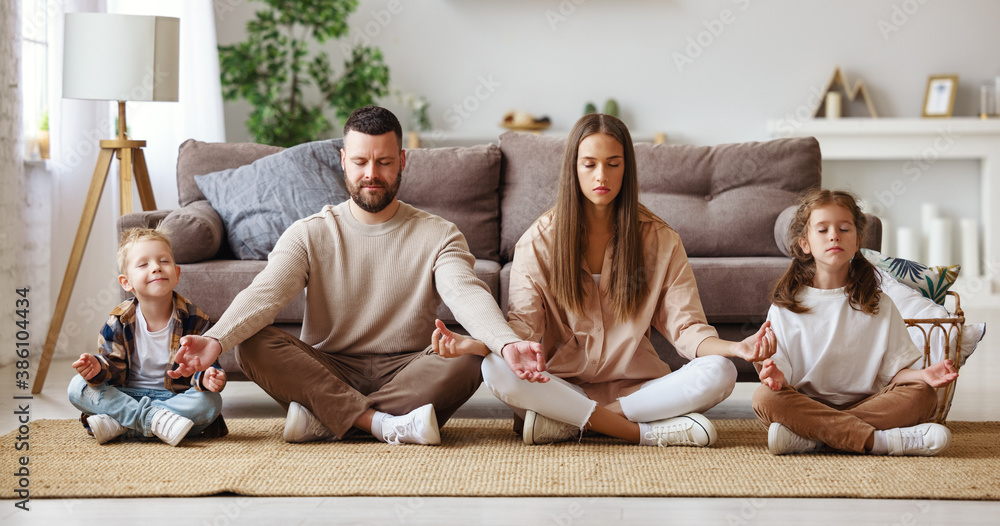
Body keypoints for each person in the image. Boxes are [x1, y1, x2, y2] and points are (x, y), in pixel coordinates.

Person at [169, 105, 544, 446]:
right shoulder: (309, 232)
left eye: (383, 162)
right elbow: (265, 294)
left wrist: (508, 344)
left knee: (470, 356)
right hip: (328, 365)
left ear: (402, 161)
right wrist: (216, 339)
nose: (371, 174)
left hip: (408, 368)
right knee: (253, 344)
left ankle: (326, 417)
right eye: (361, 161)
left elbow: (466, 293)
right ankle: (384, 423)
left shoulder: (440, 233)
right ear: (343, 161)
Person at [442, 113, 775, 448]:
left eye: (613, 164)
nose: (601, 175)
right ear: (573, 168)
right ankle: (639, 432)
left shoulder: (660, 240)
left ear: (626, 168)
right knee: (496, 369)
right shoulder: (538, 242)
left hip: (637, 390)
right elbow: (523, 331)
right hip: (564, 387)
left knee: (721, 371)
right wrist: (477, 346)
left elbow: (687, 329)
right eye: (589, 164)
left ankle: (569, 423)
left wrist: (736, 348)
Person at [753, 189, 958, 456]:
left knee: (923, 394)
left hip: (870, 403)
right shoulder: (786, 306)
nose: (834, 235)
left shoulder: (880, 303)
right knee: (764, 398)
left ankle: (813, 438)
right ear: (805, 243)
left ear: (858, 239)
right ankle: (880, 442)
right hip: (806, 404)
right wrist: (775, 375)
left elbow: (893, 374)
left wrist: (922, 375)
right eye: (823, 230)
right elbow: (781, 374)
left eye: (844, 228)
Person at [67, 227, 227, 447]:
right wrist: (97, 367)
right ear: (126, 282)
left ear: (177, 274)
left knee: (209, 402)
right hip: (126, 397)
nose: (156, 268)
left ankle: (124, 425)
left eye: (164, 261)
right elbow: (112, 368)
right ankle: (157, 423)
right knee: (77, 387)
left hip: (174, 399)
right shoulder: (118, 322)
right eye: (143, 264)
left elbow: (203, 366)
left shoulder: (195, 319)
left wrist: (208, 377)